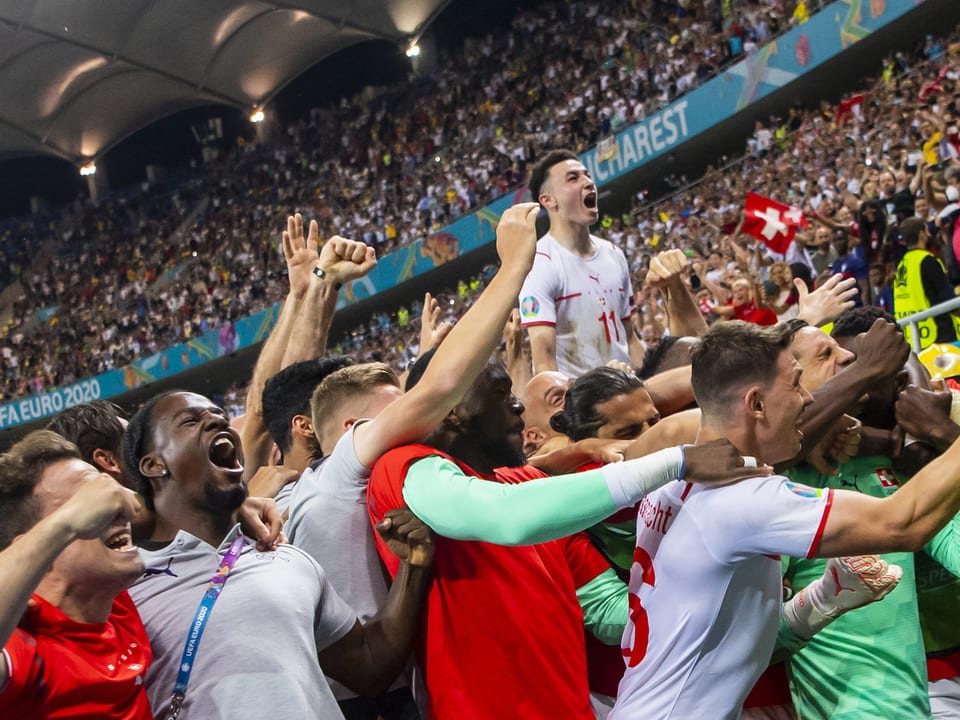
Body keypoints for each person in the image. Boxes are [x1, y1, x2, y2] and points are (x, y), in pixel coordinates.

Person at [368, 350, 764, 719]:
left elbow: (624, 476)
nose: (518, 404)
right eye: (500, 392)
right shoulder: (403, 468)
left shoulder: (526, 482)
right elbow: (506, 515)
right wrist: (679, 458)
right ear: (452, 408)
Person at [609, 319, 960, 720]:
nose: (811, 400)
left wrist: (823, 599)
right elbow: (903, 523)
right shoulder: (746, 499)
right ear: (756, 404)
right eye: (796, 385)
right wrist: (945, 432)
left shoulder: (668, 483)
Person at [122, 390, 434, 720]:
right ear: (154, 464)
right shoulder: (126, 589)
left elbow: (370, 664)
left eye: (220, 416)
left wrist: (413, 564)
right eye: (191, 421)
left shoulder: (287, 557)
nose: (216, 421)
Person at [0, 430, 148, 719]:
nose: (115, 510)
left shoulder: (112, 602)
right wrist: (67, 522)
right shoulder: (26, 651)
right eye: (91, 506)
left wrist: (237, 506)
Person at [519, 149, 643, 376]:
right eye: (573, 178)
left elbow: (630, 337)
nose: (588, 182)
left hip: (630, 388)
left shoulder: (614, 254)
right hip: (583, 400)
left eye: (587, 175)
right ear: (548, 200)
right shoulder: (539, 264)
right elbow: (544, 362)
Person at [894, 216, 960, 350]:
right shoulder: (927, 261)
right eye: (927, 230)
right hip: (938, 335)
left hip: (914, 337)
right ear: (921, 234)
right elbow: (946, 298)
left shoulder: (902, 264)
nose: (929, 234)